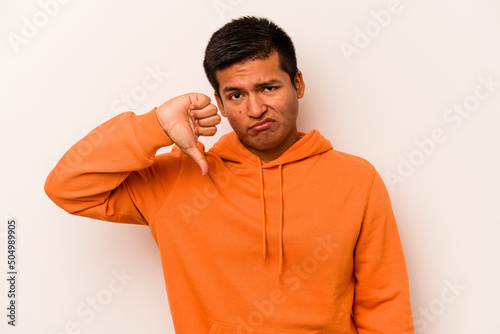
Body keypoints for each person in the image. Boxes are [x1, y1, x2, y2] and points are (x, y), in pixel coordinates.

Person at [45, 16, 415, 334]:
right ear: (219, 103)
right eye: (236, 95)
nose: (255, 109)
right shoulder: (179, 177)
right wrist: (154, 125)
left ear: (297, 84)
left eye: (268, 88)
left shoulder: (356, 178)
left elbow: (383, 304)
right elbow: (67, 187)